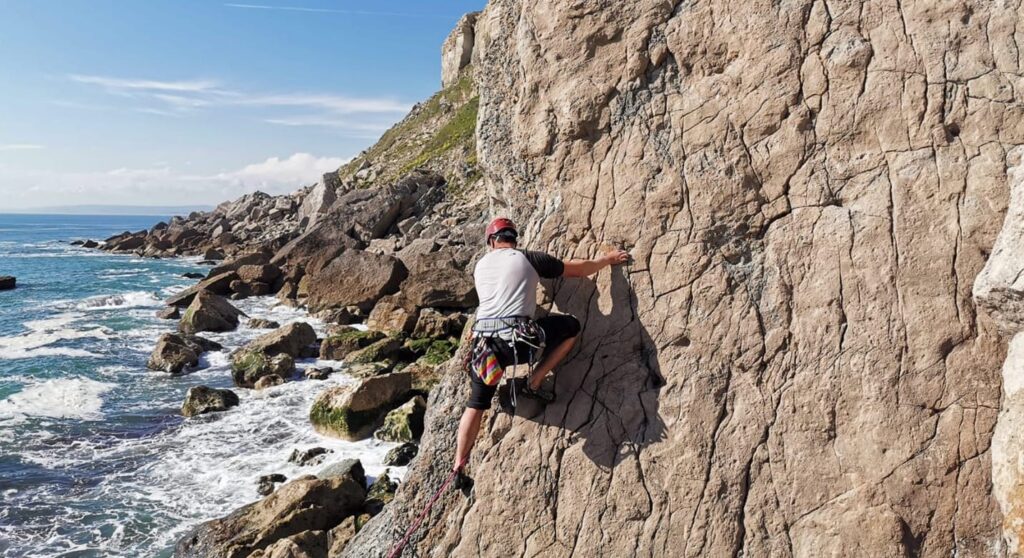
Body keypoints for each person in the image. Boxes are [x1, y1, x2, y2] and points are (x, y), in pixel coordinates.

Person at [452, 217, 630, 478]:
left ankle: (458, 465)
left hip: (484, 348)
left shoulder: (480, 266)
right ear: (514, 239)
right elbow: (580, 270)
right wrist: (608, 259)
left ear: (491, 241)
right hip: (517, 344)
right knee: (571, 327)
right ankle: (533, 383)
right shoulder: (527, 258)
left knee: (476, 404)